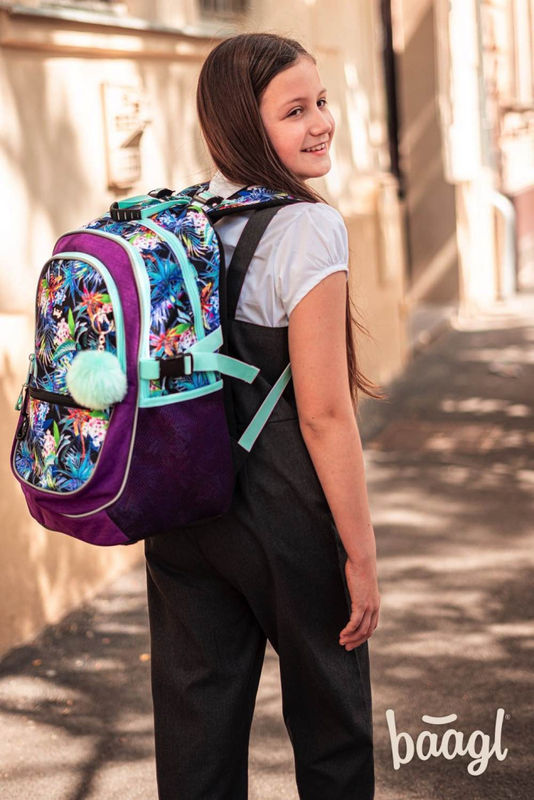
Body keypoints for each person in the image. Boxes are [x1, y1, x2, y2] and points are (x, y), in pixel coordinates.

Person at [144, 31, 385, 800]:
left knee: (197, 735)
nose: (321, 123)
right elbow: (323, 415)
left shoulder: (182, 221)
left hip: (183, 501)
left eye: (321, 102)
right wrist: (361, 552)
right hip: (280, 504)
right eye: (294, 111)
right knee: (331, 725)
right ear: (246, 126)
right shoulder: (307, 228)